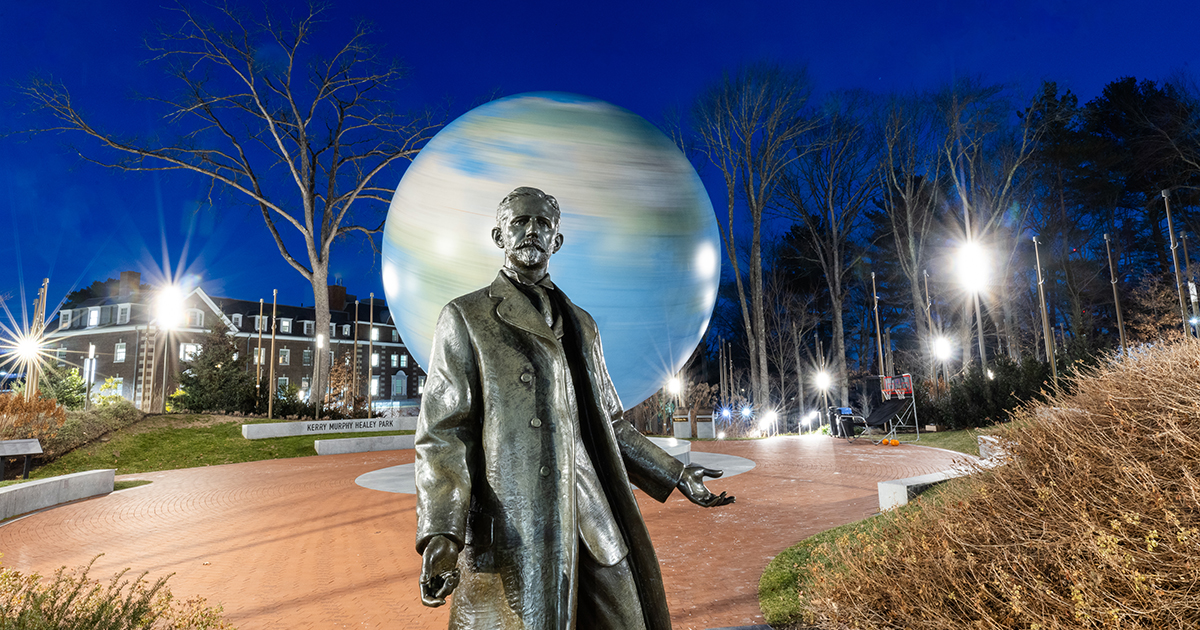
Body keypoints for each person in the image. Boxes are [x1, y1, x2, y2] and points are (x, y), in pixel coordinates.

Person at [416, 187, 733, 629]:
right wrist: (442, 530)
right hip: (518, 523)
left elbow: (613, 424)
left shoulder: (582, 323)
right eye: (519, 222)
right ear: (498, 236)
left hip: (591, 515)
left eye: (542, 223)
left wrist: (676, 473)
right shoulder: (466, 317)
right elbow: (445, 432)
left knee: (628, 620)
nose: (531, 231)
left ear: (556, 240)